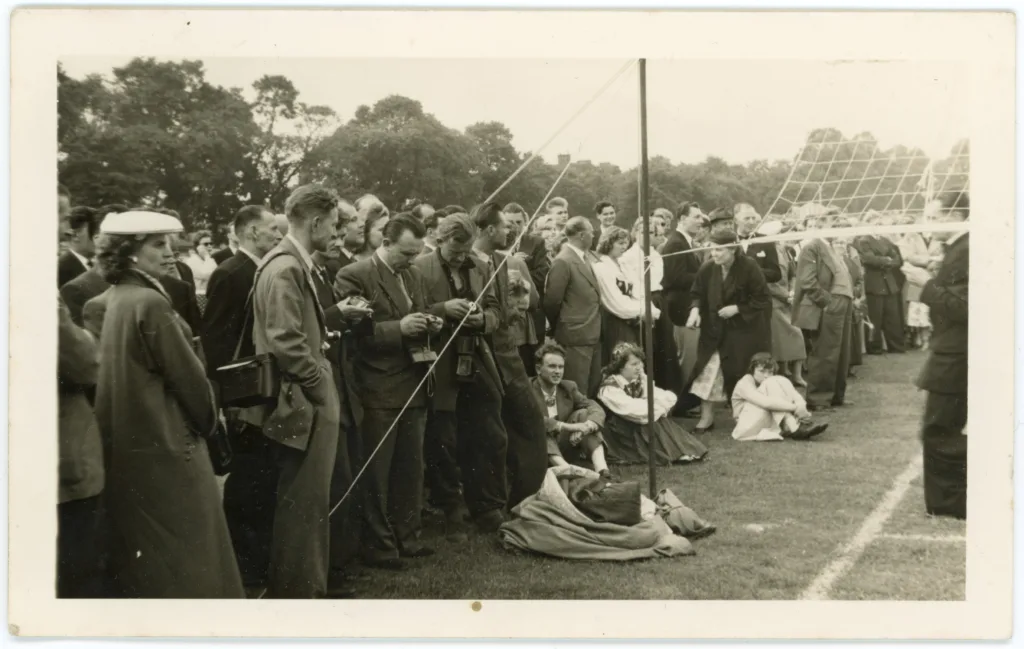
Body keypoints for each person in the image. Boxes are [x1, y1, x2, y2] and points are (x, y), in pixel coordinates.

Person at [91, 210, 243, 598]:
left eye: (169, 243)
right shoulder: (151, 303)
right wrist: (211, 421)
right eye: (157, 244)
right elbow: (191, 383)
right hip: (170, 445)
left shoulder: (111, 300)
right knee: (191, 557)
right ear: (129, 253)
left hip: (129, 447)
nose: (170, 252)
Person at [335, 213, 442, 569]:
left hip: (414, 383)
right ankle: (380, 546)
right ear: (384, 243)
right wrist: (400, 327)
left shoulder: (412, 274)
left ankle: (407, 537)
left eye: (416, 254)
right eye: (406, 253)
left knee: (410, 468)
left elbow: (420, 312)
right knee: (377, 471)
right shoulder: (355, 275)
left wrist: (430, 323)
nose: (412, 260)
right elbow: (354, 334)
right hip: (378, 387)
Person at [251, 184, 342, 598]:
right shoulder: (286, 266)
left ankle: (302, 587)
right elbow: (286, 339)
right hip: (303, 401)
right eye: (335, 224)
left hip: (300, 398)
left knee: (304, 502)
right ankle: (301, 592)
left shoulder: (285, 262)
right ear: (317, 222)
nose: (337, 233)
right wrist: (320, 384)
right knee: (304, 503)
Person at [200, 205, 282, 590]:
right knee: (248, 480)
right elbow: (216, 341)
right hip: (242, 395)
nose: (278, 235)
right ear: (251, 232)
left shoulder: (259, 269)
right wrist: (227, 399)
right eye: (270, 229)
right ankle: (245, 565)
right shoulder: (231, 273)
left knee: (262, 476)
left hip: (260, 389)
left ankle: (257, 559)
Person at [414, 213, 508, 539]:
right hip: (439, 360)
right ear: (439, 240)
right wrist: (442, 310)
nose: (460, 257)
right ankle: (451, 506)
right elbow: (411, 309)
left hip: (474, 355)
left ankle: (486, 505)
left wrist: (482, 319)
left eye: (466, 250)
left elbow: (497, 310)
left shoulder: (481, 267)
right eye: (455, 251)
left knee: (489, 427)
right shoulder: (420, 267)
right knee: (443, 437)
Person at [472, 201, 549, 510]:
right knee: (491, 435)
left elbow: (524, 305)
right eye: (505, 226)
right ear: (490, 229)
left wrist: (520, 299)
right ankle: (494, 504)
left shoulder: (504, 263)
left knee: (529, 422)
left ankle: (526, 498)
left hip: (509, 355)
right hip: (481, 360)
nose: (512, 230)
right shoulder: (468, 264)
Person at [685, 230, 772, 433]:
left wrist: (738, 309)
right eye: (712, 249)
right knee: (708, 370)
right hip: (714, 330)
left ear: (732, 249)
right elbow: (696, 293)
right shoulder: (708, 268)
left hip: (744, 332)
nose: (714, 254)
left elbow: (763, 298)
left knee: (740, 373)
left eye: (719, 249)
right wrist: (695, 310)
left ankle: (743, 415)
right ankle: (706, 417)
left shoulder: (749, 267)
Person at [916, 191, 968, 519]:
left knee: (939, 430)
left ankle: (950, 505)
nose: (928, 223)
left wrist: (926, 285)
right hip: (954, 351)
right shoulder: (958, 249)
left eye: (935, 217)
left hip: (956, 355)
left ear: (959, 216)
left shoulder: (967, 250)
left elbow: (965, 308)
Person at [597, 343, 708, 465]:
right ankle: (677, 453)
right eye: (634, 364)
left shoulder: (638, 379)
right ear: (620, 367)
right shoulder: (610, 388)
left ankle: (683, 451)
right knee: (652, 419)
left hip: (634, 423)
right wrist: (657, 407)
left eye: (640, 363)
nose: (639, 367)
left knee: (656, 418)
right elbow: (632, 410)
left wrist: (657, 405)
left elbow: (662, 396)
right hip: (618, 431)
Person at [792, 225, 856, 411]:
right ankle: (818, 399)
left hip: (844, 301)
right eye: (832, 224)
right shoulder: (812, 247)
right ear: (820, 226)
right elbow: (807, 280)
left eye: (838, 225)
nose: (837, 228)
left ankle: (836, 396)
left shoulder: (831, 248)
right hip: (830, 303)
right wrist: (825, 301)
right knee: (825, 352)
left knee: (842, 352)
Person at [620, 214, 680, 397]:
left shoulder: (655, 254)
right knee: (649, 346)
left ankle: (668, 394)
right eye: (643, 231)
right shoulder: (628, 257)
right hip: (642, 299)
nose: (647, 236)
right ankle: (646, 393)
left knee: (666, 346)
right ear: (635, 232)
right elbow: (632, 284)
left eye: (652, 232)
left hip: (658, 298)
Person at [530, 343, 610, 478]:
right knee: (541, 429)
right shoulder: (527, 389)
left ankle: (602, 470)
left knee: (584, 414)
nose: (557, 371)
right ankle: (567, 471)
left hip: (564, 445)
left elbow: (594, 406)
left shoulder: (568, 387)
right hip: (538, 451)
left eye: (561, 367)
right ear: (538, 369)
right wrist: (571, 427)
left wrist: (587, 427)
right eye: (552, 366)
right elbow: (533, 420)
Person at [543, 216, 602, 396]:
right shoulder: (564, 261)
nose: (594, 236)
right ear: (582, 235)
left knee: (589, 385)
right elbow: (552, 301)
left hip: (590, 332)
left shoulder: (584, 259)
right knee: (577, 387)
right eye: (591, 232)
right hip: (575, 334)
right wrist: (562, 326)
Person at [661, 201, 706, 412]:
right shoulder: (676, 244)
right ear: (682, 219)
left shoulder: (684, 242)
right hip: (681, 310)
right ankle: (679, 403)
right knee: (686, 358)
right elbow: (675, 278)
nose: (701, 221)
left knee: (690, 356)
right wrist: (706, 274)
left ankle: (684, 401)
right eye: (696, 217)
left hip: (687, 309)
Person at [592, 225, 658, 366]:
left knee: (636, 359)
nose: (624, 246)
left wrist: (651, 309)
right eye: (620, 243)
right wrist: (643, 311)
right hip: (615, 321)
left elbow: (639, 291)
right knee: (621, 362)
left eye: (626, 243)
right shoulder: (602, 267)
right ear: (609, 243)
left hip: (632, 320)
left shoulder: (623, 264)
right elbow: (614, 302)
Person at [730, 353, 829, 442]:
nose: (766, 375)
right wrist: (795, 408)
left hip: (764, 419)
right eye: (762, 371)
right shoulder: (745, 382)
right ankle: (795, 427)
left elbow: (794, 394)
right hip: (746, 426)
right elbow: (765, 403)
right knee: (771, 383)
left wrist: (800, 403)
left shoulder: (767, 381)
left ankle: (797, 424)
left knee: (781, 380)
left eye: (770, 372)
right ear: (752, 371)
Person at [502, 202, 550, 376]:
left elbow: (542, 274)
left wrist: (521, 271)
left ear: (526, 223)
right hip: (512, 314)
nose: (514, 227)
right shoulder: (502, 251)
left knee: (532, 359)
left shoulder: (535, 242)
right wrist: (514, 263)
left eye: (518, 222)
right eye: (509, 223)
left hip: (531, 314)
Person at [854, 212, 906, 354]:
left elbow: (898, 259)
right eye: (875, 223)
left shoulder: (886, 240)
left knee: (892, 317)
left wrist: (884, 261)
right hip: (874, 283)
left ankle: (896, 346)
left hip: (889, 283)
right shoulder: (863, 241)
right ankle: (875, 347)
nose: (878, 226)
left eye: (880, 224)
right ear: (868, 224)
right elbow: (869, 259)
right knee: (875, 317)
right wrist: (888, 260)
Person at [58, 206, 100, 287]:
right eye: (95, 232)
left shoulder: (95, 265)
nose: (99, 238)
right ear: (75, 235)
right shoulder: (61, 270)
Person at [184, 230, 218, 313]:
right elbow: (207, 274)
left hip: (210, 296)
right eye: (206, 244)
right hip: (198, 298)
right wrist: (206, 255)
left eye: (211, 243)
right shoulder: (192, 261)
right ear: (197, 247)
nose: (209, 246)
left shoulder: (210, 260)